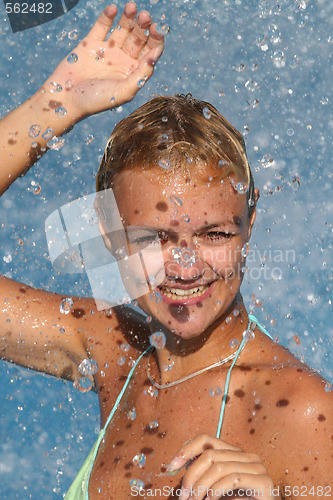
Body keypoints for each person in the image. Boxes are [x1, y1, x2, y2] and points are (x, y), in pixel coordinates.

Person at [0, 3, 332, 499]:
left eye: (215, 235)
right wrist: (58, 102)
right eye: (151, 239)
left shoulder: (299, 409)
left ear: (249, 226)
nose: (184, 267)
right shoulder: (114, 348)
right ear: (108, 237)